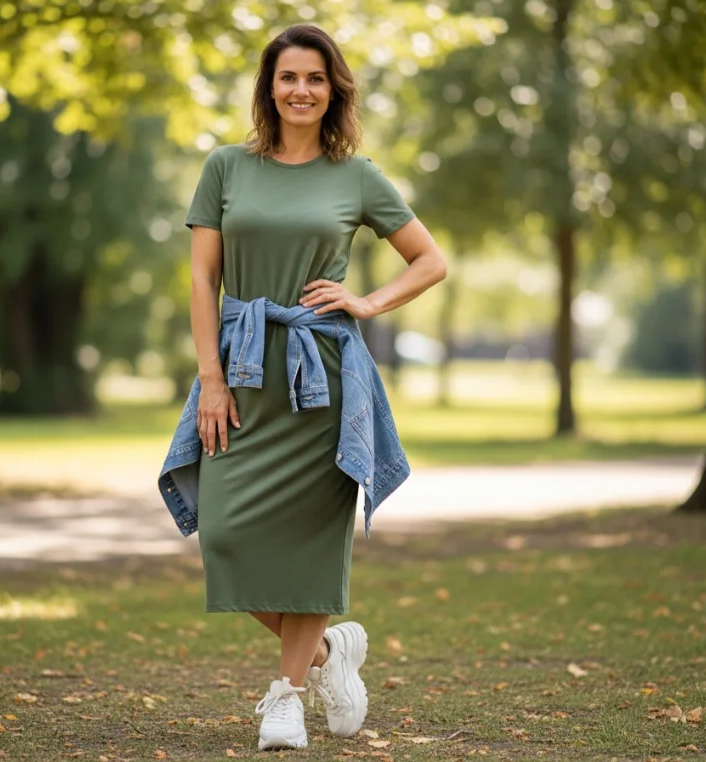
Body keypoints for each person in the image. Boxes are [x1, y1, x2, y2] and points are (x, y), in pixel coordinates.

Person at [158, 23, 447, 752]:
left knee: (316, 544)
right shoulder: (226, 166)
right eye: (288, 77)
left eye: (315, 78)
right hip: (243, 372)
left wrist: (368, 303)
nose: (301, 90)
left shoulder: (356, 176)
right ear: (269, 87)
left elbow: (428, 260)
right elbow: (201, 278)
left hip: (323, 381)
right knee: (222, 534)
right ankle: (327, 654)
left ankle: (286, 697)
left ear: (333, 90)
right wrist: (211, 379)